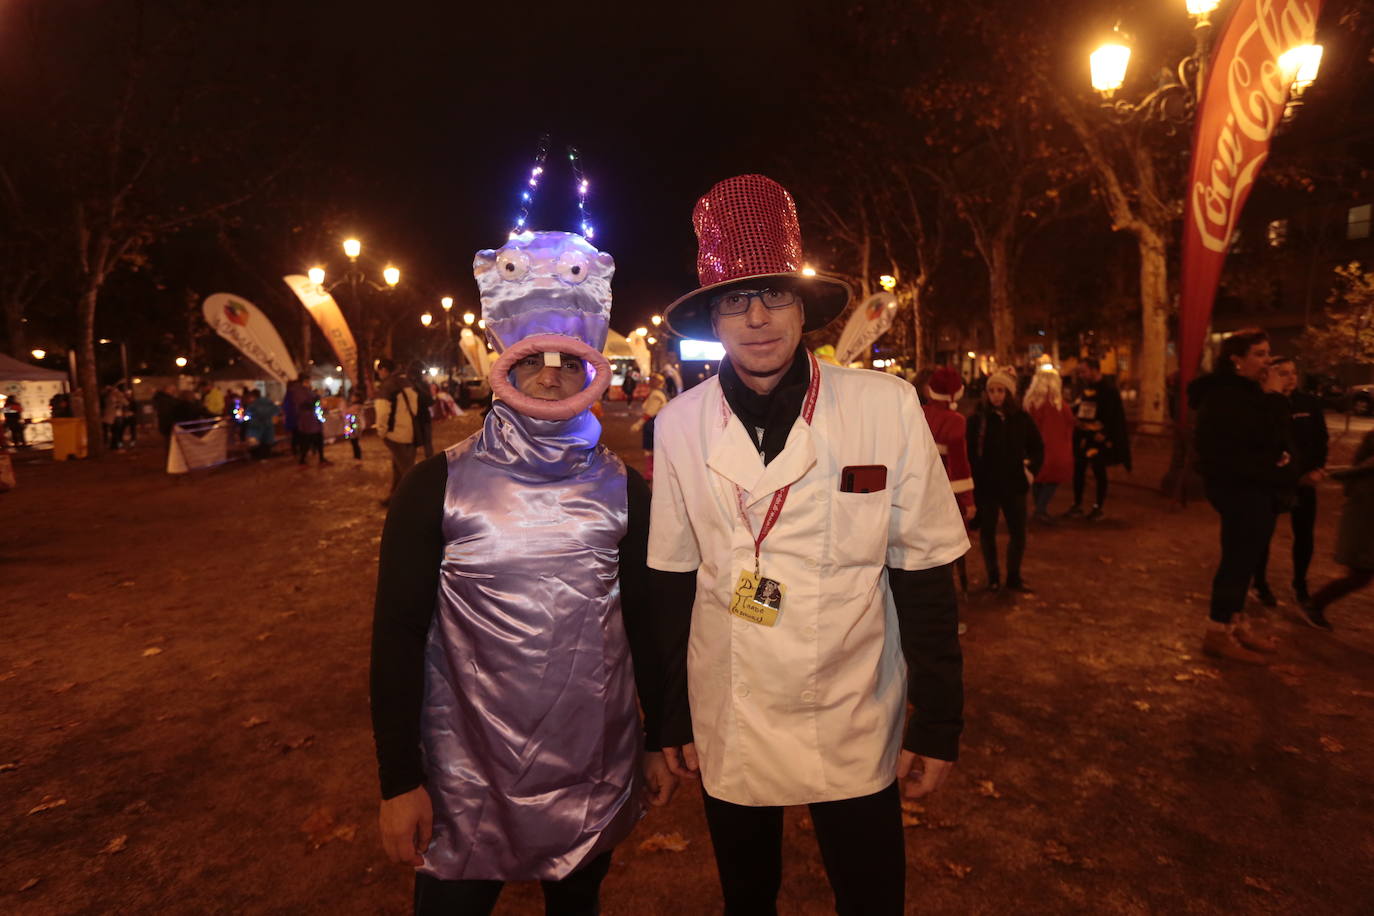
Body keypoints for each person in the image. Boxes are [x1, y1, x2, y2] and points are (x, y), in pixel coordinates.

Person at [647, 175, 968, 915]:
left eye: (776, 296)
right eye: (735, 301)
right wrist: (667, 719)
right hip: (733, 708)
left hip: (852, 709)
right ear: (713, 318)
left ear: (803, 306)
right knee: (747, 898)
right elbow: (669, 580)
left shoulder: (884, 408)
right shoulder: (678, 426)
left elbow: (920, 574)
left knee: (872, 897)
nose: (758, 319)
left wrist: (941, 722)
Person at [371, 229, 672, 915]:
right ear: (502, 364)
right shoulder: (434, 487)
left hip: (588, 771)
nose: (551, 375)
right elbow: (395, 637)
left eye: (570, 360)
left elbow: (647, 625)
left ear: (592, 368)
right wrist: (399, 780)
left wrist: (660, 738)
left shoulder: (625, 491)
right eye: (531, 358)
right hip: (461, 781)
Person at [1189, 329, 1297, 664]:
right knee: (1236, 560)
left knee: (1249, 559)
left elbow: (1271, 438)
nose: (1267, 361)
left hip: (1257, 484)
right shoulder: (1224, 396)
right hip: (1238, 487)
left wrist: (1280, 455)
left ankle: (1236, 624)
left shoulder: (1249, 392)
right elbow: (1254, 435)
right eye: (1259, 354)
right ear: (1237, 359)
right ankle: (1217, 632)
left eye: (1268, 353)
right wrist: (1275, 399)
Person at [1252, 357, 1327, 610]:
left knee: (1304, 535)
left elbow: (1320, 440)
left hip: (1305, 481)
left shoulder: (1308, 403)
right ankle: (1260, 584)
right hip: (1274, 483)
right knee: (1263, 533)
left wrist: (1317, 469)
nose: (1291, 377)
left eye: (1294, 372)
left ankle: (1300, 585)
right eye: (1283, 373)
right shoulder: (1265, 404)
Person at [967, 368, 1044, 593]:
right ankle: (992, 577)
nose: (996, 395)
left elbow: (1037, 447)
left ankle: (1013, 576)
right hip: (987, 487)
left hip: (1014, 486)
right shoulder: (977, 420)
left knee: (1018, 532)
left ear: (1009, 393)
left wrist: (1029, 473)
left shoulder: (1021, 418)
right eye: (992, 390)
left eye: (1001, 390)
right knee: (987, 532)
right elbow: (969, 453)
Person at [1303, 428, 1374, 630]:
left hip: (1364, 527)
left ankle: (1314, 604)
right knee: (1360, 575)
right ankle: (1314, 604)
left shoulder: (1364, 470)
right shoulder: (1366, 476)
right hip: (1365, 529)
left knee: (1360, 575)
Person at [921, 367, 976, 595]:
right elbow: (959, 464)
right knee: (949, 546)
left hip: (918, 488)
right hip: (945, 493)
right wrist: (968, 501)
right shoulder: (955, 421)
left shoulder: (918, 411)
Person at [1065, 357, 1131, 520]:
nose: (1081, 375)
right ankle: (1077, 504)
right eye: (1079, 372)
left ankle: (1098, 506)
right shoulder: (1085, 388)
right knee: (1078, 469)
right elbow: (1080, 406)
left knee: (1098, 470)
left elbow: (1115, 416)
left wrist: (1106, 434)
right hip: (1083, 436)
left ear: (1094, 370)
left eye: (1083, 371)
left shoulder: (1109, 389)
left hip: (1099, 438)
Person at [1024, 368, 1075, 524]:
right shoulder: (1059, 405)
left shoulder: (1029, 404)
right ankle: (1041, 508)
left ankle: (1039, 507)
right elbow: (1070, 422)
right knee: (1053, 478)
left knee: (1037, 476)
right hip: (1055, 448)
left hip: (1033, 447)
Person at [374, 359, 419, 507]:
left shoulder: (388, 386)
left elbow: (382, 411)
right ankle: (394, 497)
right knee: (398, 466)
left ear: (384, 370)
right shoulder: (407, 382)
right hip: (409, 431)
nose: (379, 374)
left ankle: (414, 501)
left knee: (405, 469)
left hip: (394, 433)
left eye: (379, 371)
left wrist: (381, 431)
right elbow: (415, 408)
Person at [631, 372, 669, 482]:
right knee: (653, 449)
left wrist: (638, 424)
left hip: (652, 424)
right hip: (657, 423)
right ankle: (653, 472)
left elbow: (650, 412)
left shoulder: (656, 394)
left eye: (652, 380)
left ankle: (651, 473)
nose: (650, 382)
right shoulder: (659, 393)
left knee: (651, 449)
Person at [295, 383, 330, 467]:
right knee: (312, 442)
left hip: (309, 427)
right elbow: (319, 413)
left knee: (308, 442)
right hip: (313, 427)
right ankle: (306, 460)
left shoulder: (303, 404)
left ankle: (306, 459)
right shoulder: (312, 404)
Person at [240, 389, 278, 460]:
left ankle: (259, 456)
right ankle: (266, 456)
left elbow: (248, 413)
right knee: (266, 441)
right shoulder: (267, 401)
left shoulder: (253, 404)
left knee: (258, 442)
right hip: (267, 425)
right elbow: (275, 410)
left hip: (257, 426)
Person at [283, 374, 311, 463]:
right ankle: (301, 454)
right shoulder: (297, 392)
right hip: (298, 418)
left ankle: (298, 453)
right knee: (300, 436)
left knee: (296, 436)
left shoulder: (291, 392)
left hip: (294, 418)